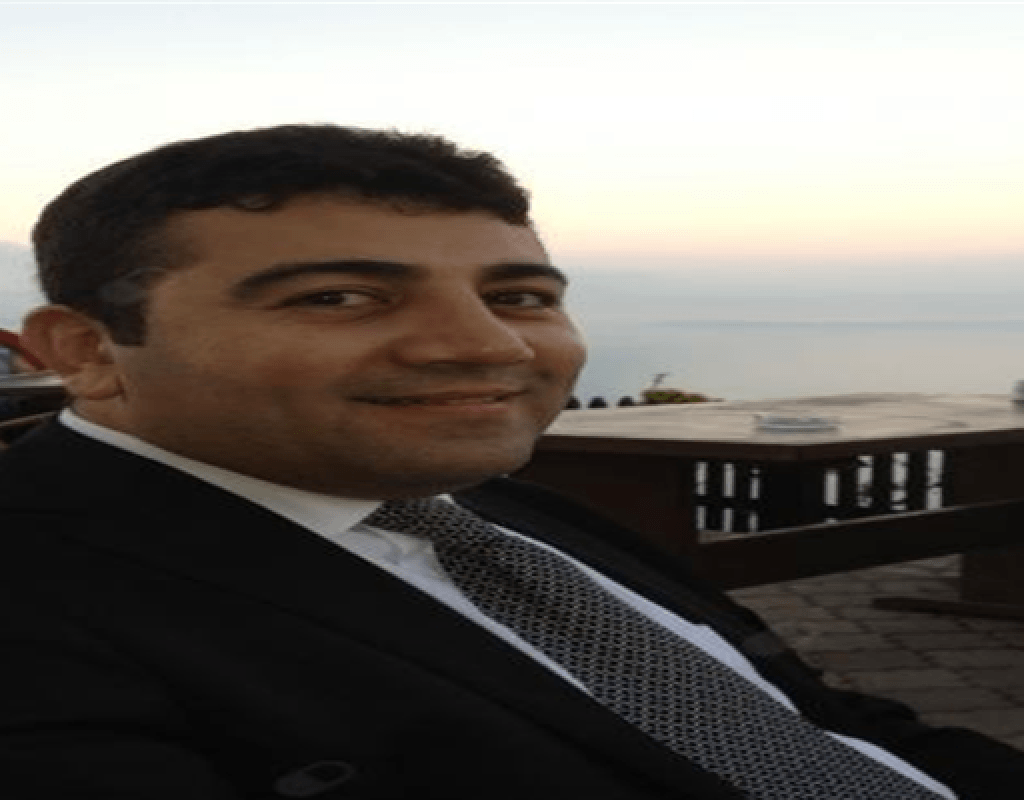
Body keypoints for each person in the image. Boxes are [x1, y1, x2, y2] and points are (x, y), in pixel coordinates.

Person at [1, 125, 1020, 800]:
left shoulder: (508, 518)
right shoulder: (42, 607)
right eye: (338, 297)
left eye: (520, 296)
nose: (487, 345)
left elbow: (823, 725)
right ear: (87, 349)